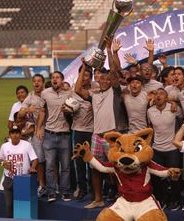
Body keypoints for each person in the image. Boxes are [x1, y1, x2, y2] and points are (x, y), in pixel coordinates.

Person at [75, 57, 121, 209]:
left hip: (111, 137)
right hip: (96, 136)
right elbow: (77, 89)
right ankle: (98, 199)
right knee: (95, 168)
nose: (104, 81)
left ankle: (120, 198)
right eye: (101, 79)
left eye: (107, 79)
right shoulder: (94, 94)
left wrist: (110, 51)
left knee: (115, 168)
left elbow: (114, 74)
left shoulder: (115, 92)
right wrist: (83, 68)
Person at [36, 71, 72, 202]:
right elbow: (41, 111)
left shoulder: (69, 93)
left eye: (57, 77)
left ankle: (65, 191)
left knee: (66, 166)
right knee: (50, 166)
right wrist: (39, 128)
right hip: (49, 134)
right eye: (53, 78)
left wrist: (69, 111)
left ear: (62, 80)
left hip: (65, 135)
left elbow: (74, 109)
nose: (54, 79)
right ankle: (51, 192)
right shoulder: (45, 93)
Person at [147, 88, 183, 210]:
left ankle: (175, 200)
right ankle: (160, 199)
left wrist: (174, 103)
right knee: (157, 178)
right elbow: (150, 128)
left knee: (174, 177)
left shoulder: (174, 108)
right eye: (156, 93)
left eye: (161, 94)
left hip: (172, 149)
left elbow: (183, 121)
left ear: (166, 97)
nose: (158, 96)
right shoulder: (150, 111)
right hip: (157, 149)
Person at [0, 125, 38, 218]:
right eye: (13, 133)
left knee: (22, 206)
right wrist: (3, 163)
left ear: (20, 135)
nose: (15, 135)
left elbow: (35, 159)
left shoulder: (27, 145)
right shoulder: (4, 146)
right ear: (9, 135)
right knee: (9, 205)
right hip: (9, 179)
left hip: (23, 180)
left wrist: (32, 167)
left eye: (17, 133)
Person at [18, 74, 46, 197]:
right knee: (39, 159)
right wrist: (27, 110)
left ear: (43, 83)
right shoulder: (30, 96)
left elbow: (43, 112)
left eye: (39, 81)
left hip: (51, 130)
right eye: (34, 81)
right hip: (38, 133)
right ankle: (42, 185)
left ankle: (55, 185)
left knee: (53, 161)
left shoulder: (48, 93)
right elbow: (20, 114)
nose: (36, 83)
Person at [72, 64, 94, 201]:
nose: (84, 78)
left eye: (87, 75)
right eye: (82, 74)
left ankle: (93, 188)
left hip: (92, 131)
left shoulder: (95, 90)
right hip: (78, 130)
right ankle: (82, 188)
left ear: (91, 78)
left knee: (92, 162)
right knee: (79, 162)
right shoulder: (72, 91)